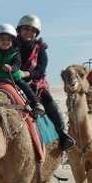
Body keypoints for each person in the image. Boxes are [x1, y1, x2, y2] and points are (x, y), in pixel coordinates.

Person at [16, 14, 76, 151]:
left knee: (50, 103)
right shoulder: (10, 45)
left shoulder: (40, 50)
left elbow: (40, 71)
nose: (29, 33)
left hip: (34, 85)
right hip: (11, 82)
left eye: (33, 30)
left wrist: (26, 74)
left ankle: (62, 135)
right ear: (19, 30)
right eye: (26, 29)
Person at [0, 23, 45, 116]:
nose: (5, 42)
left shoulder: (15, 53)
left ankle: (36, 103)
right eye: (2, 39)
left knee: (25, 87)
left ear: (12, 41)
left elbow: (17, 64)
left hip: (13, 78)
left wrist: (12, 68)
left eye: (8, 39)